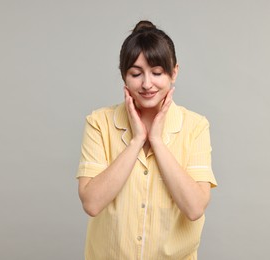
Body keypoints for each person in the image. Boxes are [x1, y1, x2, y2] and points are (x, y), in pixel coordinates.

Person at [76, 20, 217, 260]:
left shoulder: (195, 126)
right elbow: (92, 203)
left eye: (157, 72)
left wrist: (157, 142)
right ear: (124, 75)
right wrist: (137, 140)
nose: (147, 84)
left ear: (174, 72)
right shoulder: (99, 122)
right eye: (136, 73)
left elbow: (194, 208)